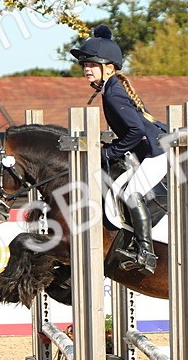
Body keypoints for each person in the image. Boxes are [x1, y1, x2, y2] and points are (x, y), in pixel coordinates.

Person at [70, 25, 167, 274]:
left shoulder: (113, 93)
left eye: (91, 65)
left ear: (109, 68)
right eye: (85, 65)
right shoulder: (111, 89)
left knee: (131, 192)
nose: (86, 70)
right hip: (147, 151)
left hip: (155, 153)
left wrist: (107, 153)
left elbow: (136, 132)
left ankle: (146, 253)